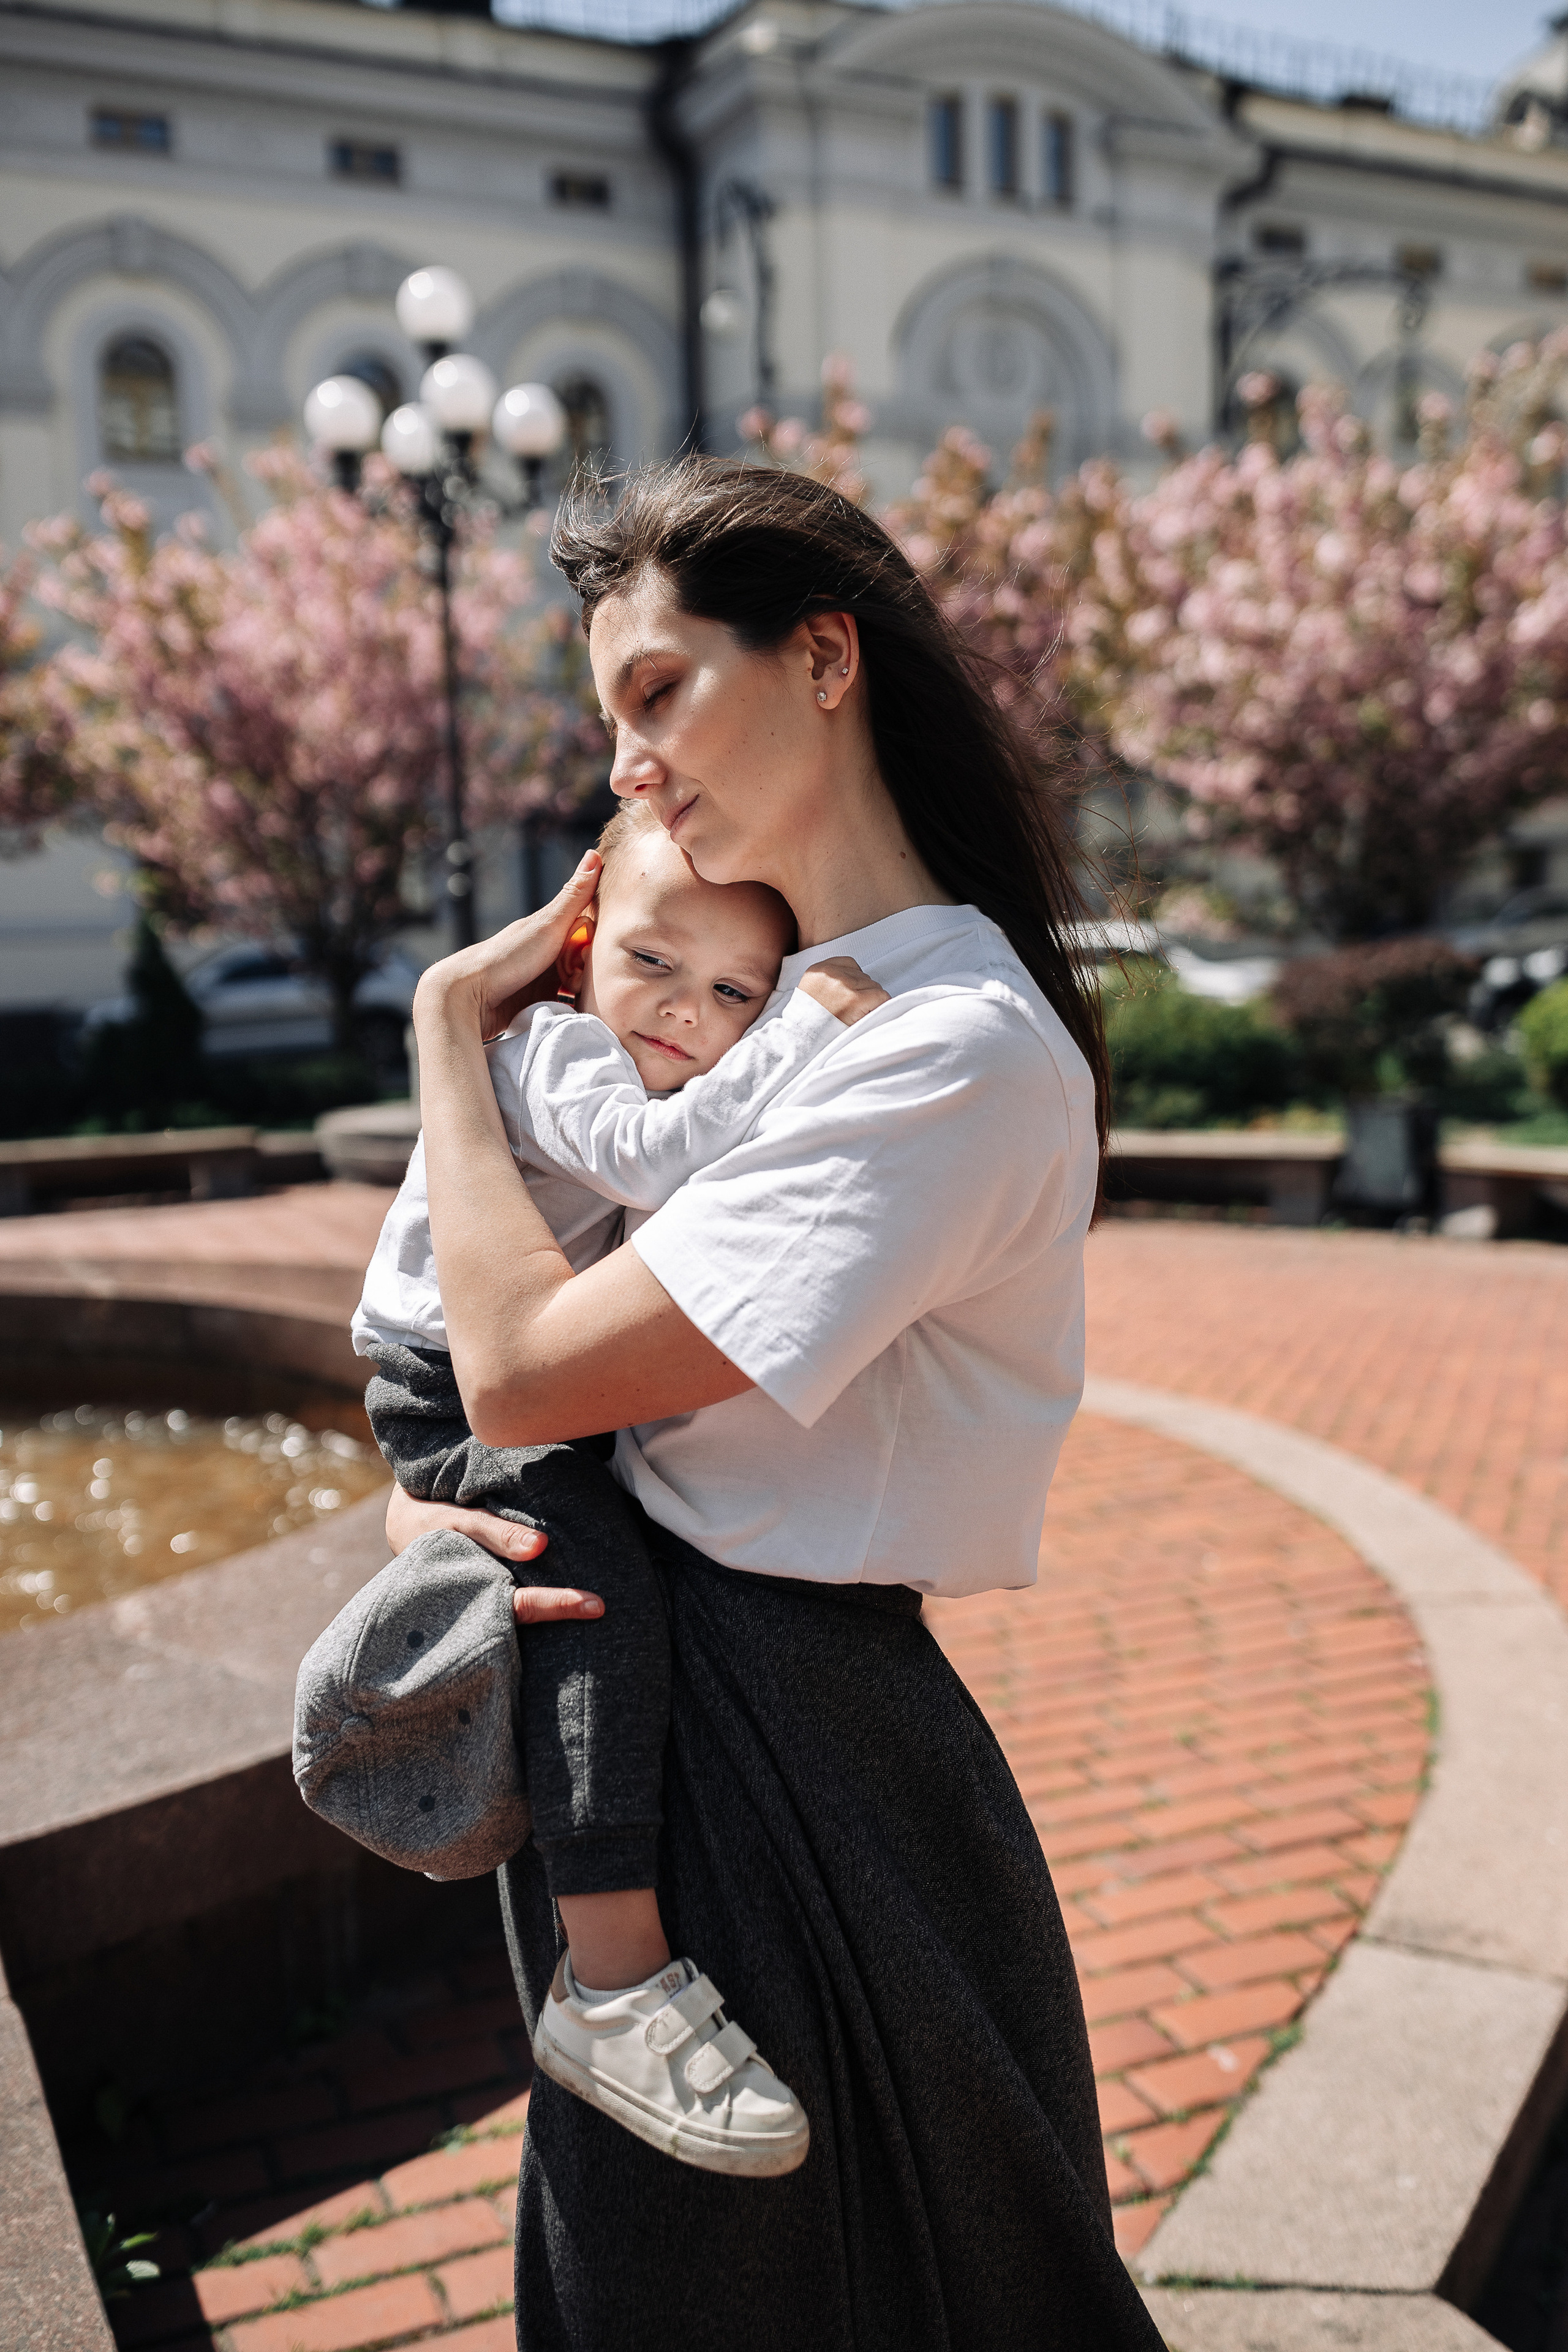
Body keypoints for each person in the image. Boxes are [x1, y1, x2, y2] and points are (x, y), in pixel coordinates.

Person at [386, 461, 1166, 2350]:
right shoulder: (772, 999)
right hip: (664, 1710)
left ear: (823, 658)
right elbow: (506, 1367)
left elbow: (520, 1358)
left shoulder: (945, 1047)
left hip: (796, 1756)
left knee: (831, 2290)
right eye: (608, 724)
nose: (629, 769)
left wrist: (443, 1039)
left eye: (658, 693)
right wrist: (446, 1495)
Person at [349, 797, 891, 2173]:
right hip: (443, 1372)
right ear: (578, 937)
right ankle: (610, 1978)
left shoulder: (597, 1050)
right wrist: (805, 1030)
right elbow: (661, 1158)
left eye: (731, 992)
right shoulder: (548, 1050)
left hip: (483, 1374)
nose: (682, 1014)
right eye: (653, 962)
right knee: (593, 1596)